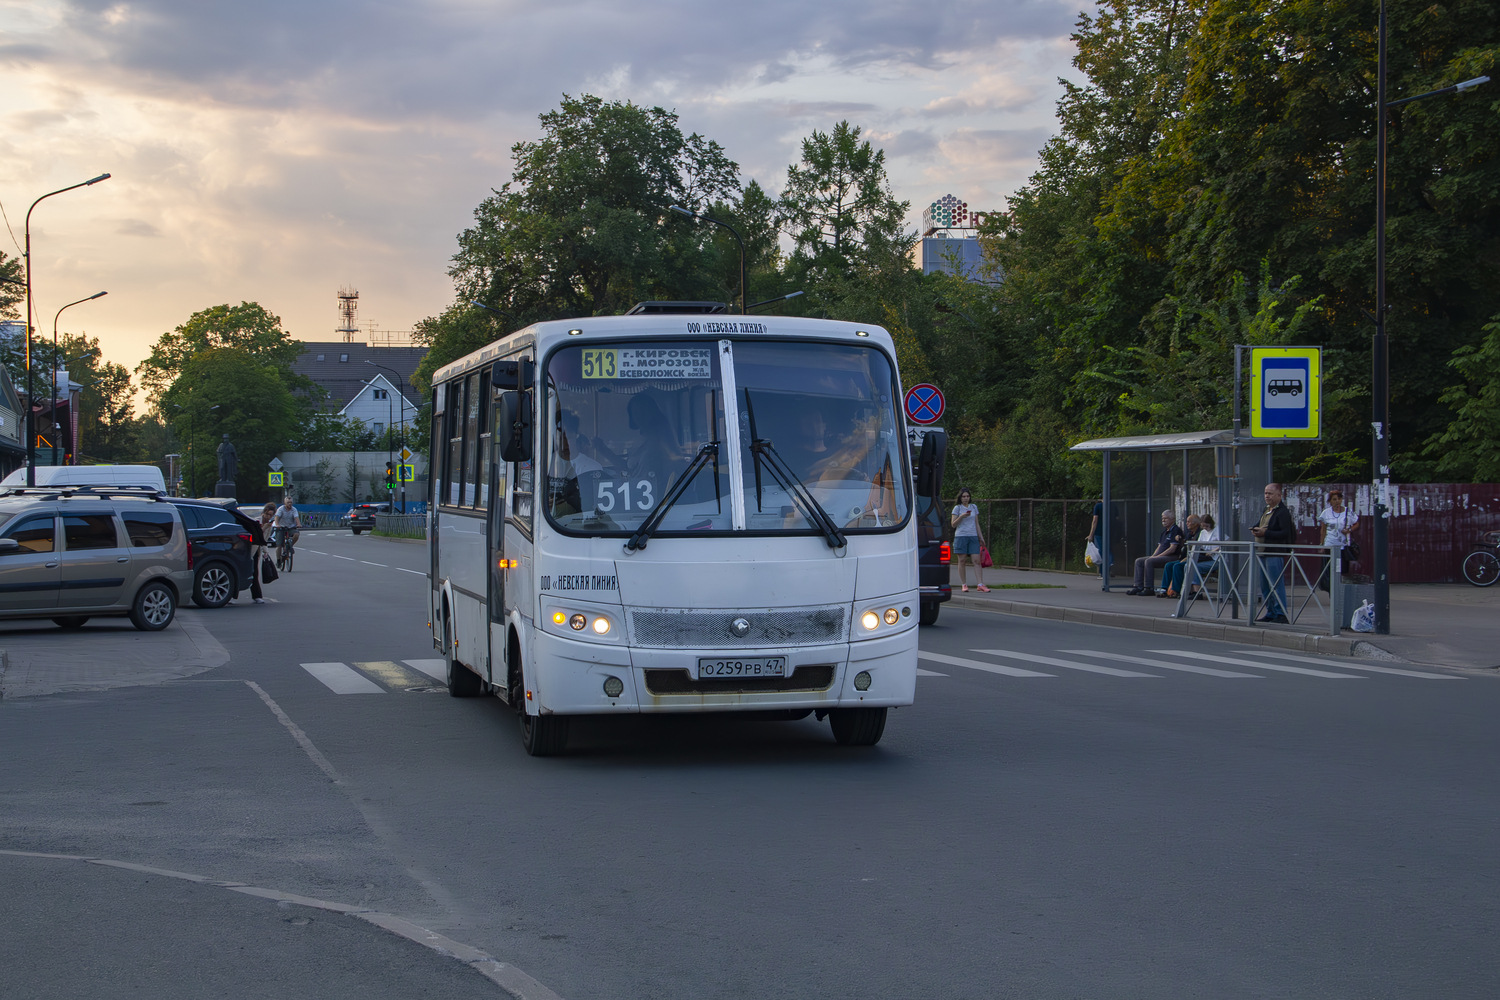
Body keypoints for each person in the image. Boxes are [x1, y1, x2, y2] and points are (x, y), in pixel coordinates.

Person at [1251, 482, 1295, 623]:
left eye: (1270, 493)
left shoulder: (1282, 512)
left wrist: (1266, 532)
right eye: (1265, 493)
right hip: (1262, 551)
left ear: (1278, 495)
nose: (1267, 496)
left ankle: (1281, 613)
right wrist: (1256, 529)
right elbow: (1260, 524)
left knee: (1275, 583)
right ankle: (1271, 611)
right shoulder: (1267, 510)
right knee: (1265, 584)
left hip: (1274, 551)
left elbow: (1284, 532)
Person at [1127, 510, 1185, 595]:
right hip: (1161, 556)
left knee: (1149, 561)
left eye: (1166, 518)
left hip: (1172, 556)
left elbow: (1172, 549)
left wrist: (1157, 557)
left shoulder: (1175, 531)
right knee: (1139, 561)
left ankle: (1149, 588)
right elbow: (1159, 547)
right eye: (1162, 518)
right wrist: (1153, 555)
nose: (1163, 520)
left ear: (1172, 519)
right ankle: (1138, 586)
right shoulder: (1164, 532)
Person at [1317, 489, 1359, 591]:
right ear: (1330, 501)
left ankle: (1340, 590)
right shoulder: (1326, 513)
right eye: (1334, 499)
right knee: (1330, 570)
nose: (1337, 501)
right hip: (1330, 544)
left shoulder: (1347, 512)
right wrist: (1322, 545)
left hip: (1343, 545)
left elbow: (1357, 523)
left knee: (1341, 569)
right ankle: (1332, 591)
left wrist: (1349, 530)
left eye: (1339, 499)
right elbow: (1323, 529)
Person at [950, 488, 990, 593]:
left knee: (976, 560)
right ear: (960, 497)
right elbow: (953, 524)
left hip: (972, 536)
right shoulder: (957, 508)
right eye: (963, 496)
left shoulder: (973, 507)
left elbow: (976, 523)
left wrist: (981, 537)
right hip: (961, 536)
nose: (966, 498)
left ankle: (980, 584)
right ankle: (964, 584)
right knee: (962, 560)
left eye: (967, 496)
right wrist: (962, 516)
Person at [1160, 514, 1201, 597]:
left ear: (1195, 524)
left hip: (1193, 558)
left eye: (1189, 522)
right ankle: (1164, 588)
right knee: (1168, 565)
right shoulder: (1189, 534)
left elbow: (1196, 549)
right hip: (1184, 557)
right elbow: (1185, 545)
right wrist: (1180, 540)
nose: (1187, 523)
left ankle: (1176, 590)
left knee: (1177, 566)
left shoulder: (1199, 534)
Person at [1184, 513, 1220, 600]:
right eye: (1203, 526)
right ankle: (1191, 590)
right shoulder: (1203, 532)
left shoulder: (1217, 531)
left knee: (1195, 567)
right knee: (1187, 565)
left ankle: (1197, 592)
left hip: (1216, 559)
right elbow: (1198, 545)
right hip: (1207, 557)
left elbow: (1225, 543)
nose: (1205, 529)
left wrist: (1213, 550)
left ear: (1211, 524)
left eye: (1207, 526)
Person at [248, 502, 275, 604]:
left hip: (256, 551)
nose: (268, 517)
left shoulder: (269, 526)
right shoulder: (256, 521)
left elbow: (264, 540)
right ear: (263, 513)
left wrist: (265, 551)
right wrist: (264, 527)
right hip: (249, 550)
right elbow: (256, 536)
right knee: (242, 572)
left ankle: (257, 596)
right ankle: (232, 596)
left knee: (255, 573)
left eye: (270, 515)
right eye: (267, 514)